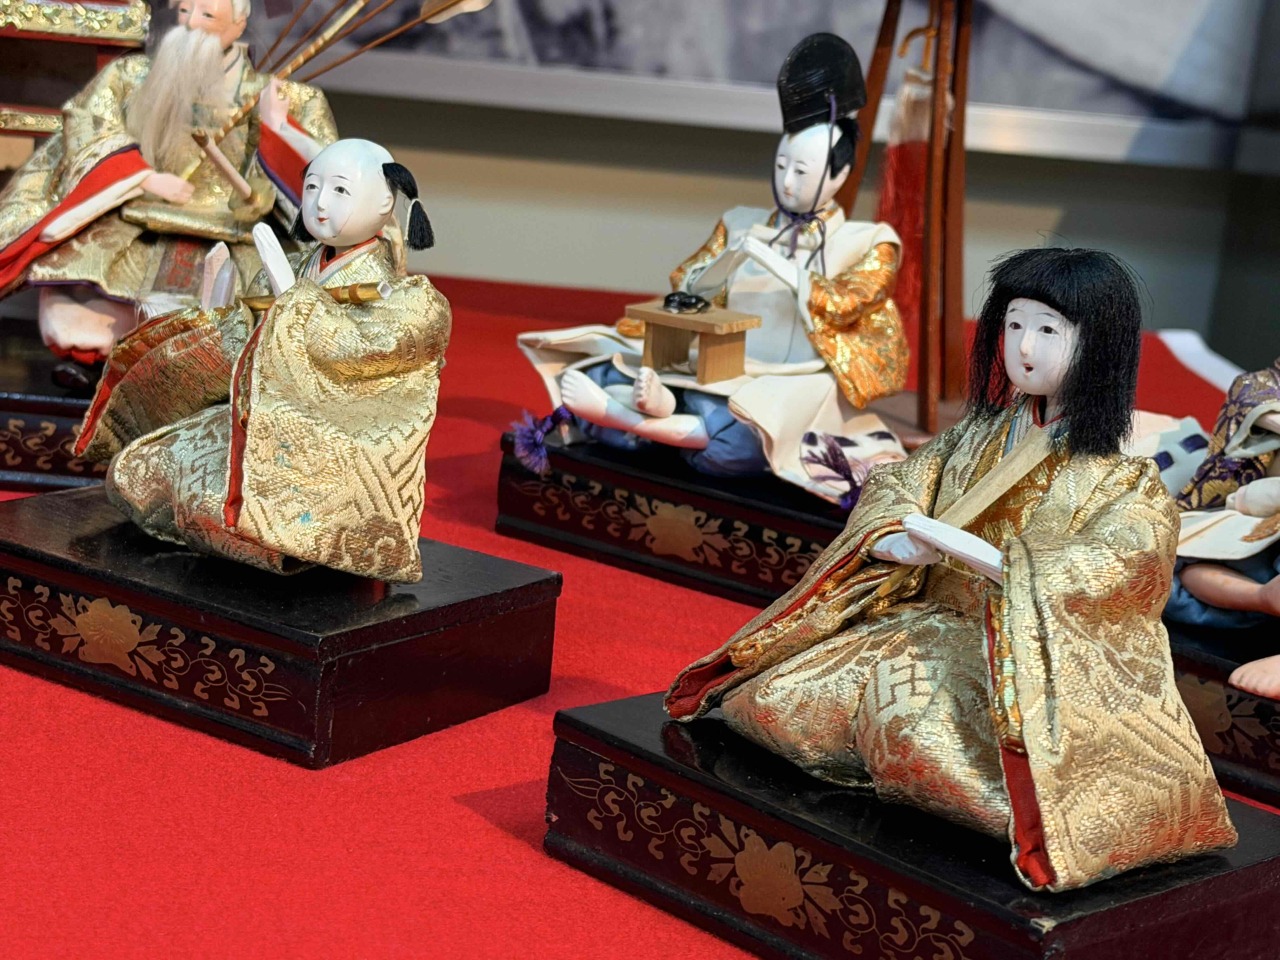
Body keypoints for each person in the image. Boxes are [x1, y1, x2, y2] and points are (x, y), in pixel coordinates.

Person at [664, 247, 1236, 892]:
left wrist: (1004, 566)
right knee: (777, 702)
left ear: (1098, 344)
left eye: (1048, 330)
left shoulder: (1123, 478)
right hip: (922, 621)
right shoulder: (979, 432)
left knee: (918, 737)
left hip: (1010, 654)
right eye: (1014, 325)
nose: (1024, 347)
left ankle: (1032, 809)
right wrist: (894, 538)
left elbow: (1121, 566)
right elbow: (901, 481)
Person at [516, 33, 907, 504]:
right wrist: (732, 257)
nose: (786, 181)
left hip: (792, 376)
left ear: (839, 174)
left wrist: (781, 266)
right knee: (603, 368)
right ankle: (662, 413)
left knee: (752, 433)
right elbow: (686, 285)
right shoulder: (741, 222)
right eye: (781, 164)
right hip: (715, 363)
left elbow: (848, 302)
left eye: (801, 171)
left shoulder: (870, 241)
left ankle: (632, 421)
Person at [75, 139, 449, 583]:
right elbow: (244, 343)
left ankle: (286, 539)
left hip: (329, 444)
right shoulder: (290, 266)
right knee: (139, 472)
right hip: (255, 419)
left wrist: (297, 306)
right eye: (312, 187)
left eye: (340, 190)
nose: (320, 203)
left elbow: (352, 358)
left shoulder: (411, 304)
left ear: (385, 202)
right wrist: (220, 317)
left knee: (227, 507)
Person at [0, 0, 337, 383]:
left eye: (207, 15)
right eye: (184, 11)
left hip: (230, 236)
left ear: (239, 23)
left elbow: (325, 179)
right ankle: (104, 367)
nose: (191, 23)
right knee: (81, 302)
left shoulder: (283, 96)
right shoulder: (130, 76)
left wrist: (280, 128)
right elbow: (88, 126)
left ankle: (187, 377)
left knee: (236, 317)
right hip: (140, 223)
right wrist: (143, 178)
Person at [1165, 359, 1280, 697]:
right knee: (1180, 560)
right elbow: (1252, 399)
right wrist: (1262, 597)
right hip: (1254, 516)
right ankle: (1261, 597)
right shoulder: (1263, 384)